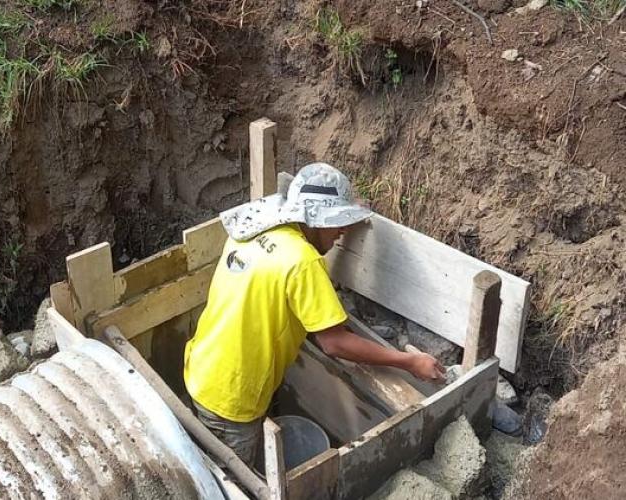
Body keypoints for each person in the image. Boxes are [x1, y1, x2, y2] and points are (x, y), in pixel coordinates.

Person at [183, 162, 446, 466]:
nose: (342, 232)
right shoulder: (302, 261)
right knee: (231, 479)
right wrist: (409, 362)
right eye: (337, 223)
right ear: (315, 219)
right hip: (232, 400)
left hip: (201, 369)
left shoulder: (253, 225)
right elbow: (334, 343)